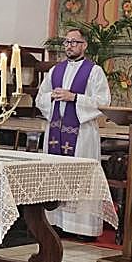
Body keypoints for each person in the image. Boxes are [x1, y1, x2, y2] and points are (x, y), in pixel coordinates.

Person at [35, 27, 111, 238]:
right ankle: (57, 222)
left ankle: (81, 227)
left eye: (74, 42)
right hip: (55, 131)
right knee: (55, 174)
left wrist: (75, 98)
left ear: (84, 45)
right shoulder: (55, 70)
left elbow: (104, 102)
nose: (69, 46)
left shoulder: (94, 71)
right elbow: (40, 98)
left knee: (81, 177)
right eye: (67, 42)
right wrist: (52, 97)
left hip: (82, 134)